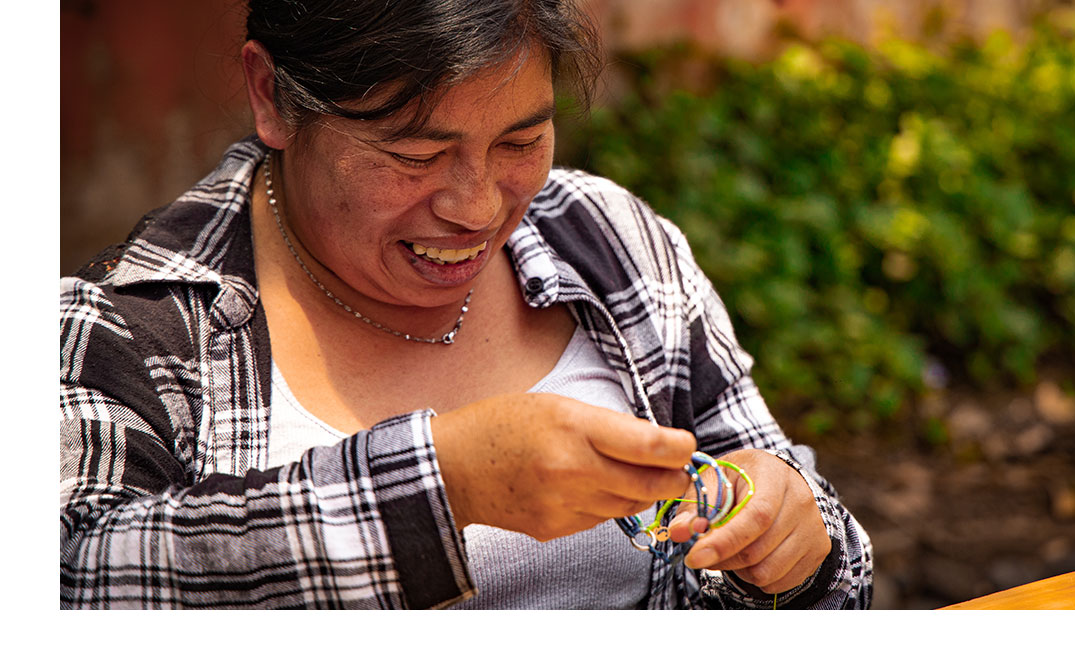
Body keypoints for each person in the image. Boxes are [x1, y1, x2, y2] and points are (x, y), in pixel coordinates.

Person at [59, 0, 872, 609]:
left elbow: (823, 564)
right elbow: (75, 581)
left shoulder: (613, 246)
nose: (478, 207)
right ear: (272, 97)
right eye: (416, 154)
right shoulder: (128, 325)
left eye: (520, 143)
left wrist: (794, 549)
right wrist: (442, 488)